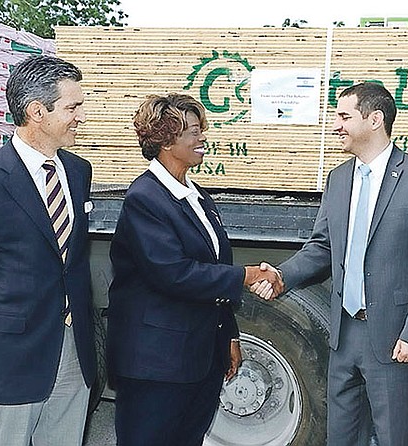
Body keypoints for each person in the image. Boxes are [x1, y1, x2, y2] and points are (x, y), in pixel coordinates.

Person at [252, 82, 408, 445]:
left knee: (395, 437)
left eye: (344, 116)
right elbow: (323, 247)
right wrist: (283, 275)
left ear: (375, 119)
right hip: (344, 334)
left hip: (395, 337)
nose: (336, 125)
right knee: (341, 437)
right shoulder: (339, 178)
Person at [106, 93, 282, 446]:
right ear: (167, 140)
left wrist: (228, 336)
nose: (203, 138)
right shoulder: (145, 198)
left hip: (198, 359)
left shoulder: (196, 194)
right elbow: (174, 273)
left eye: (202, 130)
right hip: (156, 366)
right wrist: (246, 276)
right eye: (194, 132)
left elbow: (215, 265)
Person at [0, 55, 96, 445]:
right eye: (72, 107)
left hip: (73, 348)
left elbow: (72, 262)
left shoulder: (79, 172)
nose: (80, 116)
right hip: (11, 352)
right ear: (37, 112)